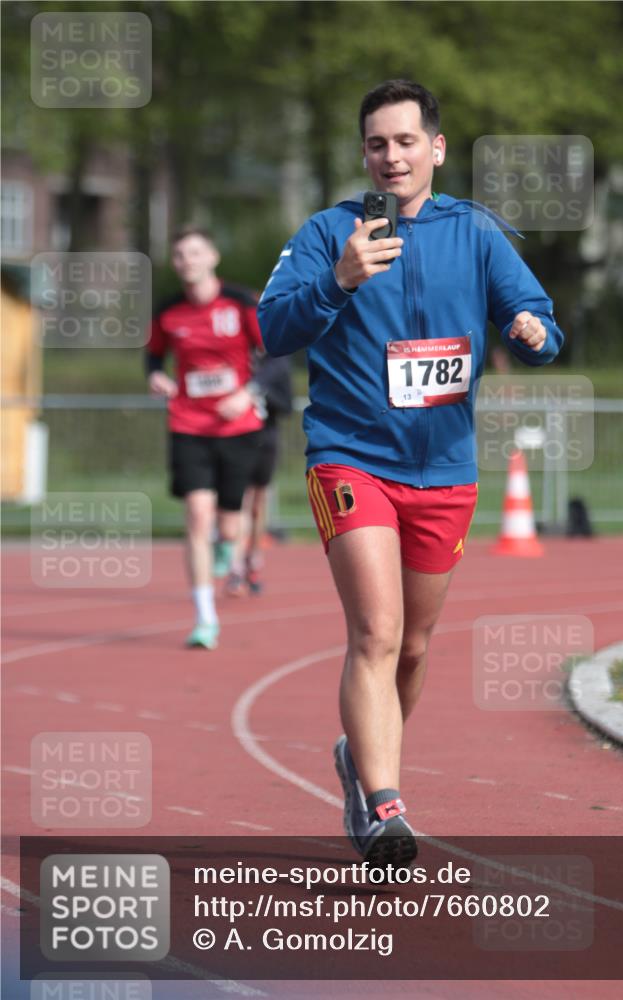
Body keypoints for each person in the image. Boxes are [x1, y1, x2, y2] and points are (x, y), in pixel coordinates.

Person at [258, 80, 565, 867]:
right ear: (363, 153)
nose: (389, 157)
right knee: (377, 631)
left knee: (415, 648)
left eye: (403, 141)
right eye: (375, 144)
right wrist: (339, 280)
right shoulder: (332, 232)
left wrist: (532, 332)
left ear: (434, 146)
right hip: (350, 455)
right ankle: (385, 803)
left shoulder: (477, 233)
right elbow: (270, 329)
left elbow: (539, 322)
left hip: (444, 469)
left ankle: (357, 759)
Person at [146, 226, 264, 649]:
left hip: (238, 426)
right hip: (188, 425)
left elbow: (274, 355)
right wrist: (156, 376)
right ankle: (204, 618)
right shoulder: (168, 310)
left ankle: (227, 545)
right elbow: (154, 355)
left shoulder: (240, 302)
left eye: (194, 252)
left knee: (230, 524)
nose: (187, 261)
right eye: (179, 255)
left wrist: (245, 392)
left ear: (212, 256)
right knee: (198, 517)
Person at [225, 352, 293, 596]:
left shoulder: (277, 362)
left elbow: (286, 405)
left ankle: (253, 560)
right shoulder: (234, 357)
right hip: (236, 439)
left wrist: (257, 394)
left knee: (257, 504)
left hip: (266, 440)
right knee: (239, 501)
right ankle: (234, 569)